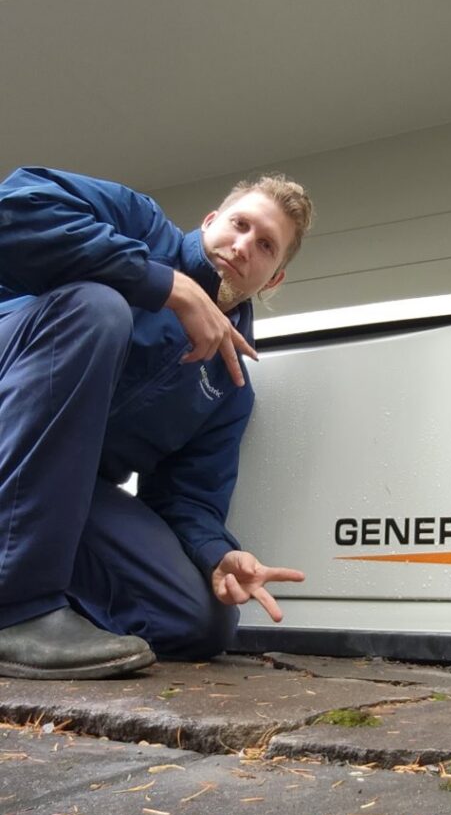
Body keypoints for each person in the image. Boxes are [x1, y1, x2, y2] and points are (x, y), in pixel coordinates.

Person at [0, 165, 314, 679]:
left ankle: (51, 602)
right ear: (211, 220)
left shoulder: (229, 387)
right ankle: (15, 609)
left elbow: (187, 499)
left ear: (273, 277)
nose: (242, 246)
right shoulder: (138, 224)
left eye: (265, 246)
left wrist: (216, 555)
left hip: (50, 491)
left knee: (200, 622)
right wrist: (165, 284)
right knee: (96, 307)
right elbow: (14, 206)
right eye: (239, 225)